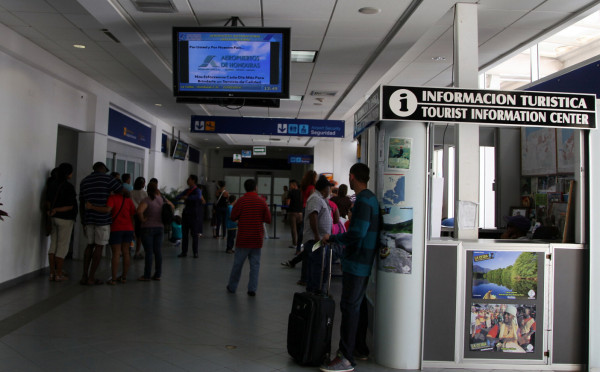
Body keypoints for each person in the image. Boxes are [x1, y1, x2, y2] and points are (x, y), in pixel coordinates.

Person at [321, 163, 380, 372]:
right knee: (359, 305)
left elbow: (358, 233)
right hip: (363, 260)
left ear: (353, 177)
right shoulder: (370, 198)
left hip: (357, 261)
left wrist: (334, 238)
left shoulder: (364, 201)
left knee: (349, 307)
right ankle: (360, 348)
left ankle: (345, 357)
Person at [226, 179, 271, 296]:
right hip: (256, 239)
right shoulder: (262, 202)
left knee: (238, 264)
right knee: (255, 266)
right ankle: (252, 289)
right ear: (255, 187)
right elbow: (268, 219)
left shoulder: (241, 201)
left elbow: (233, 216)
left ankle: (232, 287)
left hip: (243, 239)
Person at [79, 162, 121, 286]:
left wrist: (83, 220)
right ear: (102, 169)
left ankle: (84, 275)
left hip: (89, 219)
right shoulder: (108, 179)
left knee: (89, 245)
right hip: (102, 219)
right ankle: (91, 277)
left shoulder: (84, 181)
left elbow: (81, 202)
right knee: (99, 247)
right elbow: (121, 190)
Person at [86, 186, 135, 285]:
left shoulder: (112, 198)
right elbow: (132, 214)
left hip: (116, 228)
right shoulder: (128, 200)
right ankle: (124, 277)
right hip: (128, 228)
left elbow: (107, 209)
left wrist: (92, 207)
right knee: (126, 253)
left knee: (116, 253)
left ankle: (113, 279)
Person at [45, 163, 78, 282]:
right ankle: (59, 273)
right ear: (68, 174)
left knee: (53, 244)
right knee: (62, 246)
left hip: (53, 218)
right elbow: (70, 206)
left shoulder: (52, 184)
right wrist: (57, 210)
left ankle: (51, 273)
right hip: (65, 219)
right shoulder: (68, 187)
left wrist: (51, 211)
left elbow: (48, 201)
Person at [303, 175, 334, 293]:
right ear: (324, 188)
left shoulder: (321, 198)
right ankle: (315, 290)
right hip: (315, 240)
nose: (330, 191)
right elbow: (313, 216)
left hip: (319, 239)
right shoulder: (315, 198)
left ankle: (316, 289)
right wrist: (316, 235)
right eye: (328, 188)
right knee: (317, 265)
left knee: (320, 265)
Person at [137, 182, 173, 281]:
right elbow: (172, 206)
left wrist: (143, 219)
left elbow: (139, 211)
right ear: (157, 189)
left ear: (147, 190)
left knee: (149, 252)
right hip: (160, 228)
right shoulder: (161, 200)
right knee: (158, 252)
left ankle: (147, 275)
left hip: (147, 228)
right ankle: (157, 274)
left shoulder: (147, 200)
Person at [176, 175, 205, 258]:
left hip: (194, 215)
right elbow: (178, 196)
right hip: (186, 214)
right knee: (185, 234)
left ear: (193, 180)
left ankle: (195, 252)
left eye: (189, 179)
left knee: (194, 234)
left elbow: (198, 197)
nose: (187, 181)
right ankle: (184, 251)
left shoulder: (197, 190)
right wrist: (182, 197)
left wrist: (187, 197)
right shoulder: (187, 190)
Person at [295, 170, 317, 254]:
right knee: (308, 229)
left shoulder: (303, 187)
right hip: (309, 208)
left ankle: (298, 248)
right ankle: (306, 248)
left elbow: (301, 199)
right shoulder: (312, 187)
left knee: (302, 228)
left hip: (303, 208)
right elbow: (312, 199)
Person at [130, 177, 147, 259]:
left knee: (132, 233)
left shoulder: (131, 192)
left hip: (131, 214)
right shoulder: (144, 193)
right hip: (140, 214)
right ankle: (137, 251)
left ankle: (130, 248)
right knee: (139, 235)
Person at [286, 180, 303, 249]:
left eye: (290, 185)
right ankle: (300, 243)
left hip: (292, 212)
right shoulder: (301, 192)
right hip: (300, 213)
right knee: (300, 229)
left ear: (294, 185)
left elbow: (288, 203)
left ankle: (295, 243)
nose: (289, 187)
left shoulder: (291, 192)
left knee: (294, 229)